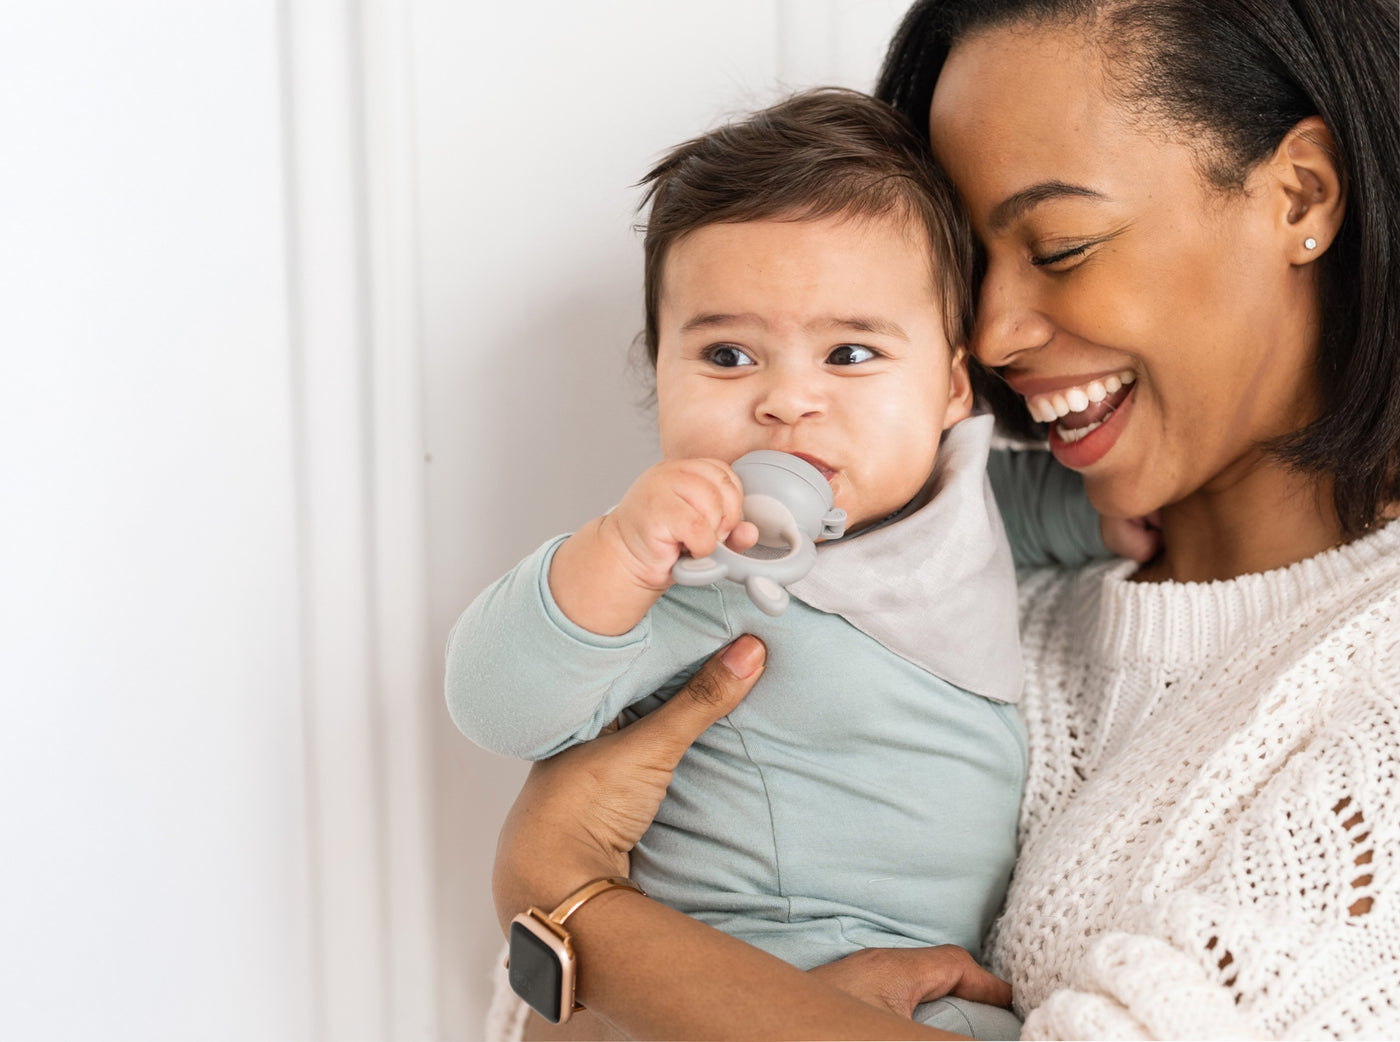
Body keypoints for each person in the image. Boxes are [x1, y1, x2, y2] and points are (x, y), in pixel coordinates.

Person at [484, 0, 1400, 1038]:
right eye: (964, 269)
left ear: (1299, 195)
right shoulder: (928, 576)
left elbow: (571, 967)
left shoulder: (1374, 678)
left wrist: (567, 903)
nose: (994, 332)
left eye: (1059, 245)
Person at [450, 87, 1132, 1039]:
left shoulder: (955, 493)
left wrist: (1122, 520)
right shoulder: (697, 574)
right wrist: (607, 557)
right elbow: (494, 704)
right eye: (728, 355)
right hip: (737, 969)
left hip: (920, 976)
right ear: (660, 375)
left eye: (850, 353)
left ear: (948, 385)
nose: (786, 401)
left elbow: (1018, 517)